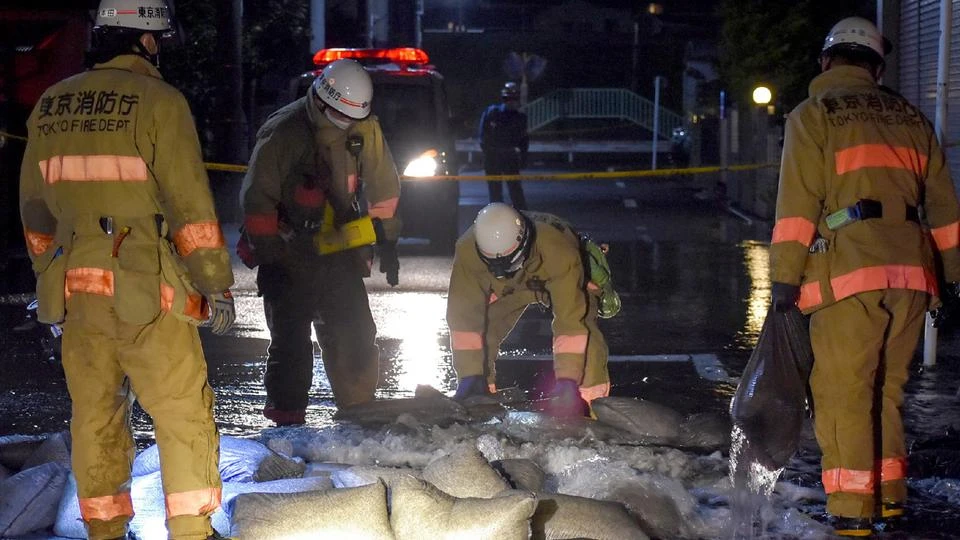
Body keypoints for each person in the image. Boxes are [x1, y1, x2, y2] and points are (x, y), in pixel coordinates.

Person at [17, 1, 236, 538]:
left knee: (96, 417)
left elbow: (34, 213)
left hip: (76, 294)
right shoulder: (161, 102)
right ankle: (191, 531)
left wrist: (51, 273)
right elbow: (190, 210)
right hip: (149, 292)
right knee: (181, 413)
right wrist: (215, 286)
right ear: (147, 40)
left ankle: (105, 531)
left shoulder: (51, 104)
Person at [769, 16, 960, 536]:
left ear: (826, 61)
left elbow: (797, 205)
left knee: (843, 393)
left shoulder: (814, 114)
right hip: (913, 273)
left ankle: (852, 514)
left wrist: (784, 280)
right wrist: (952, 280)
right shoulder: (912, 117)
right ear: (877, 67)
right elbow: (945, 208)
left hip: (850, 270)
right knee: (886, 391)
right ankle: (890, 498)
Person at [240, 58, 401, 426]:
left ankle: (358, 415)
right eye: (341, 117)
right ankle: (287, 424)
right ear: (322, 102)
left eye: (353, 118)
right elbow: (256, 200)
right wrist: (273, 257)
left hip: (339, 251)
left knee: (357, 335)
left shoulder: (364, 128)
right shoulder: (284, 132)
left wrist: (388, 241)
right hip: (287, 252)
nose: (346, 124)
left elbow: (384, 188)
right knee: (291, 346)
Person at [446, 203, 615, 417]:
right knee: (484, 333)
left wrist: (568, 380)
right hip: (509, 289)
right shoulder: (467, 251)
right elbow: (464, 319)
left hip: (554, 277)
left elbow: (570, 322)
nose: (502, 270)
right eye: (495, 266)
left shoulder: (559, 249)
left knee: (587, 340)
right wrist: (470, 375)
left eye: (508, 263)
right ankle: (481, 408)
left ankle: (591, 410)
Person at [479, 81, 529, 210]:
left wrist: (523, 158)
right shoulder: (492, 112)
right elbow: (483, 136)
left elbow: (524, 140)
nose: (511, 102)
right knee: (495, 192)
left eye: (514, 99)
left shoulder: (520, 117)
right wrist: (488, 153)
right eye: (508, 98)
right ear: (503, 98)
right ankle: (497, 215)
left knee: (516, 191)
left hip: (510, 156)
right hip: (493, 156)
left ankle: (522, 215)